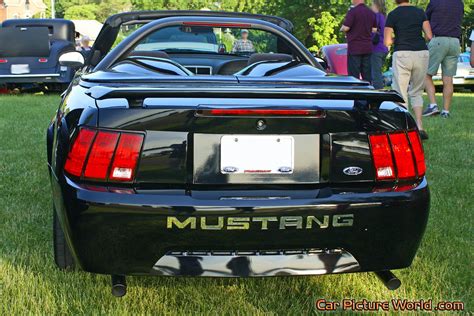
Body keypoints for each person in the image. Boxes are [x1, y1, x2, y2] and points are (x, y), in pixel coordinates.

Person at [384, 0, 432, 140]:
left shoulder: (393, 14)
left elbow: (386, 41)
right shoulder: (419, 12)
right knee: (417, 91)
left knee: (400, 92)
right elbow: (429, 36)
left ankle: (404, 127)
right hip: (421, 53)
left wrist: (397, 38)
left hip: (402, 53)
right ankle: (419, 126)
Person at [423, 0, 464, 118]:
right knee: (448, 79)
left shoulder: (435, 2)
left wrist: (428, 38)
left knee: (426, 75)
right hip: (455, 42)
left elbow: (426, 22)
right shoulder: (459, 3)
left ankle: (433, 105)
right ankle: (446, 111)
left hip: (439, 40)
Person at [341, 0, 377, 81]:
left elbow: (346, 27)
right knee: (367, 75)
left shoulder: (353, 12)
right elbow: (374, 29)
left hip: (355, 47)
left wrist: (341, 29)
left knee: (354, 76)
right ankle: (367, 91)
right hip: (367, 47)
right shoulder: (371, 12)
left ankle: (355, 92)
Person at [370, 0, 389, 89]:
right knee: (378, 71)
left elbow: (373, 29)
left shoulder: (376, 16)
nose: (370, 7)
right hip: (384, 48)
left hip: (376, 48)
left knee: (375, 73)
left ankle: (378, 93)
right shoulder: (384, 17)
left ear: (376, 5)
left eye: (372, 4)